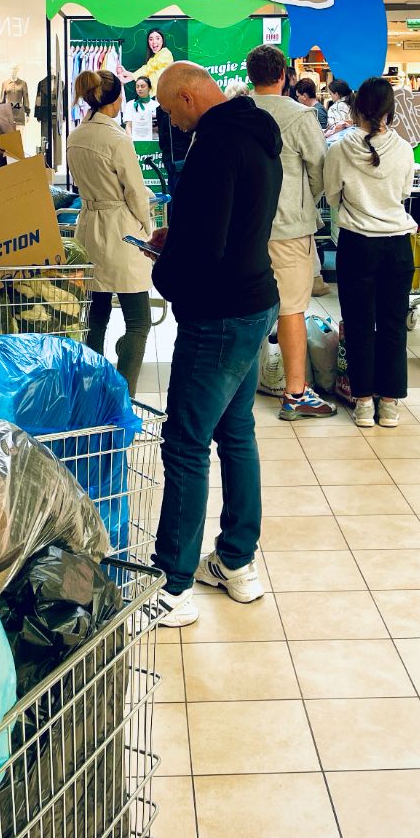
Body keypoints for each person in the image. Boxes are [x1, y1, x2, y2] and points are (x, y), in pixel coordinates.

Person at [149, 63, 282, 627]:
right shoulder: (257, 135)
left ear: (187, 95)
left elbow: (206, 247)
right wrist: (179, 239)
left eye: (171, 111)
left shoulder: (213, 146)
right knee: (236, 431)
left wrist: (166, 272)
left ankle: (173, 586)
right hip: (256, 299)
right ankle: (236, 562)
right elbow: (233, 223)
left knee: (184, 442)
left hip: (219, 315)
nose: (172, 122)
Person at [247, 45, 335, 420]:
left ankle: (240, 390)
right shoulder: (301, 117)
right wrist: (304, 200)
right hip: (288, 227)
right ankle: (295, 393)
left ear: (251, 76)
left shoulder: (235, 113)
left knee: (245, 309)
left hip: (242, 230)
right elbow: (320, 171)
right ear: (284, 76)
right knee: (292, 310)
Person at [324, 78, 416, 428]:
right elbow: (404, 192)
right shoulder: (404, 150)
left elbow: (331, 195)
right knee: (393, 325)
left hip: (356, 243)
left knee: (359, 324)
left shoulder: (340, 149)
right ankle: (389, 403)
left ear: (356, 109)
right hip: (396, 245)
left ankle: (363, 402)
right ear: (390, 112)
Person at [66, 69, 152, 396]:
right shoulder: (117, 140)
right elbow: (135, 193)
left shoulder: (77, 137)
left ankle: (90, 390)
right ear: (115, 99)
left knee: (95, 315)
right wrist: (149, 227)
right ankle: (124, 395)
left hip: (88, 226)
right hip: (121, 229)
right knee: (139, 320)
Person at [119, 28, 174, 96]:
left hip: (167, 95)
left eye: (157, 38)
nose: (154, 42)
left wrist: (131, 76)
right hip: (159, 96)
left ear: (162, 40)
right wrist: (129, 76)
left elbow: (149, 69)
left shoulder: (166, 53)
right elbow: (147, 73)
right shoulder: (154, 58)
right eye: (151, 39)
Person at [156, 107, 192, 199]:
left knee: (173, 187)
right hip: (178, 155)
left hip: (171, 154)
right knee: (178, 189)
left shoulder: (160, 110)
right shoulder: (179, 108)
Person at [122, 75, 158, 142]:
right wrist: (131, 142)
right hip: (136, 141)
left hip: (154, 141)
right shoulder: (130, 104)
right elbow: (128, 126)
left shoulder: (157, 105)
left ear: (149, 88)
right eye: (137, 86)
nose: (139, 89)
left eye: (142, 86)